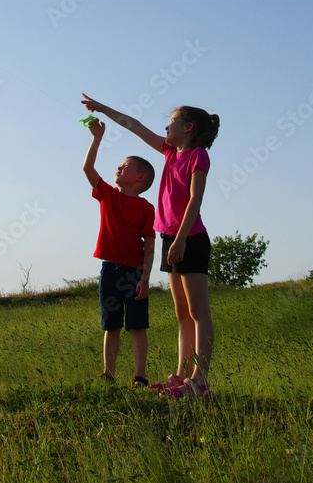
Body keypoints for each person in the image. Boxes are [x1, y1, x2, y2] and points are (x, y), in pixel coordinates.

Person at [81, 93, 219, 399]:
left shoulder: (198, 155)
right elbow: (135, 125)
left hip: (190, 237)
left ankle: (200, 379)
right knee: (182, 313)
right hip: (171, 237)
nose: (166, 127)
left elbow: (195, 198)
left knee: (198, 312)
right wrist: (102, 107)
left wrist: (182, 237)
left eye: (172, 122)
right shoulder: (170, 152)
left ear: (189, 127)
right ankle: (182, 376)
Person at [82, 116, 156, 388]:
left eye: (124, 166)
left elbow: (150, 244)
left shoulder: (147, 208)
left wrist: (145, 279)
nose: (118, 167)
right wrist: (96, 139)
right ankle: (108, 374)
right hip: (109, 270)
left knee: (137, 325)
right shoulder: (108, 195)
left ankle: (140, 376)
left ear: (140, 177)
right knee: (110, 324)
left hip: (134, 273)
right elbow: (87, 168)